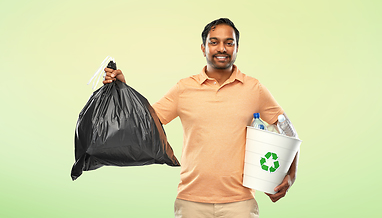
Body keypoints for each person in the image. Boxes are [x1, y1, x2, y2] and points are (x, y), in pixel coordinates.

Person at [103, 18, 298, 218]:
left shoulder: (253, 89)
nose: (221, 48)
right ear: (203, 48)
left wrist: (290, 176)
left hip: (240, 203)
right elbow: (144, 122)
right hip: (190, 202)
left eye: (228, 43)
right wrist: (122, 89)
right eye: (214, 42)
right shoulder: (184, 88)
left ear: (237, 48)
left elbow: (288, 130)